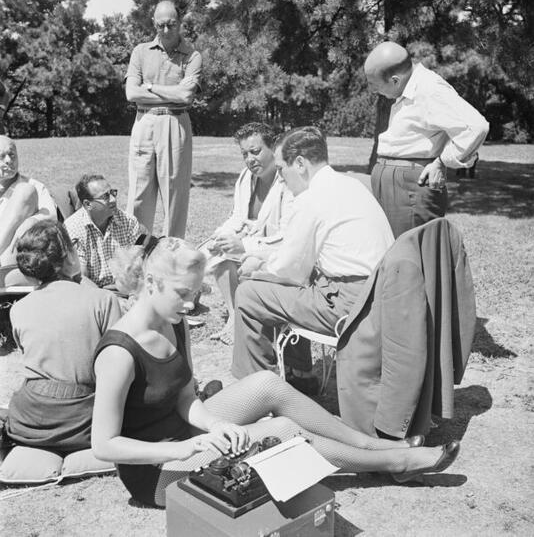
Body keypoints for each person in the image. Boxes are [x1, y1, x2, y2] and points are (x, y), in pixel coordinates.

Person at [91, 236, 460, 508]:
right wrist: (186, 447)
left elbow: (186, 398)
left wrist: (214, 426)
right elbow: (103, 445)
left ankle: (368, 443)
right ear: (151, 283)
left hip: (183, 434)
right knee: (281, 431)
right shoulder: (118, 352)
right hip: (157, 472)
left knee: (267, 383)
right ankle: (395, 461)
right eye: (182, 293)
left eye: (195, 293)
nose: (191, 304)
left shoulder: (174, 320)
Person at [231, 127, 394, 394]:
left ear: (300, 164)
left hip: (349, 304)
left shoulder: (311, 198)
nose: (281, 179)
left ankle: (256, 391)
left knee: (249, 294)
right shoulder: (351, 184)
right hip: (379, 294)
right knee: (294, 289)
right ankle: (299, 375)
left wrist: (256, 268)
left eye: (281, 169)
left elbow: (289, 271)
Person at [5, 220, 121, 453]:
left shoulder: (19, 309)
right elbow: (119, 366)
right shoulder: (102, 300)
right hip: (84, 419)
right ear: (68, 256)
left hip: (29, 422)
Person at [364, 41, 489, 238]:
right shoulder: (408, 89)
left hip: (410, 190)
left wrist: (441, 162)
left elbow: (475, 126)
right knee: (392, 250)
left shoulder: (430, 88)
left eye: (375, 85)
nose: (372, 90)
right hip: (395, 187)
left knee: (411, 251)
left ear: (395, 80)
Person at [207, 122, 293, 344]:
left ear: (273, 148)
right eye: (245, 154)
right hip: (250, 239)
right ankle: (234, 317)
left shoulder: (287, 181)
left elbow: (287, 236)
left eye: (255, 151)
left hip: (276, 248)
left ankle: (252, 323)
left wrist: (244, 246)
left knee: (249, 265)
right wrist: (221, 236)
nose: (250, 159)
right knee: (218, 259)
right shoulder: (246, 177)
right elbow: (237, 216)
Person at [125, 0, 202, 238]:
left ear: (180, 22)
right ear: (153, 23)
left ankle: (172, 254)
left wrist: (150, 87)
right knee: (138, 195)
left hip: (175, 124)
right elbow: (132, 93)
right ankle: (137, 251)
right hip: (144, 123)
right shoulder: (140, 51)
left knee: (174, 198)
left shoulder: (192, 55)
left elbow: (186, 96)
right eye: (161, 25)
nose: (166, 30)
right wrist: (172, 93)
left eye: (171, 24)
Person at [64, 174, 145, 289]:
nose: (113, 199)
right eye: (105, 196)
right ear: (88, 204)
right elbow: (80, 278)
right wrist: (104, 296)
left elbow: (139, 266)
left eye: (112, 193)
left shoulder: (128, 221)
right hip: (93, 293)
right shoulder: (73, 228)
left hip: (127, 289)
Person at [0, 135, 56, 272]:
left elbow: (52, 216)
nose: (9, 160)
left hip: (15, 257)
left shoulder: (33, 186)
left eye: (12, 155)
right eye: (1, 156)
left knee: (25, 191)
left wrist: (30, 221)